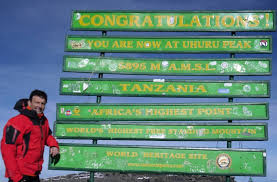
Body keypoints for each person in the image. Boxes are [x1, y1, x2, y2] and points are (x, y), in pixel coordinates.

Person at [1, 90, 60, 182]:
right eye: (37, 102)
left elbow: (47, 135)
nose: (40, 106)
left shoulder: (43, 120)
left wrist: (53, 145)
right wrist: (16, 177)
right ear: (29, 102)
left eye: (43, 103)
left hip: (35, 173)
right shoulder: (17, 121)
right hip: (20, 175)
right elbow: (7, 150)